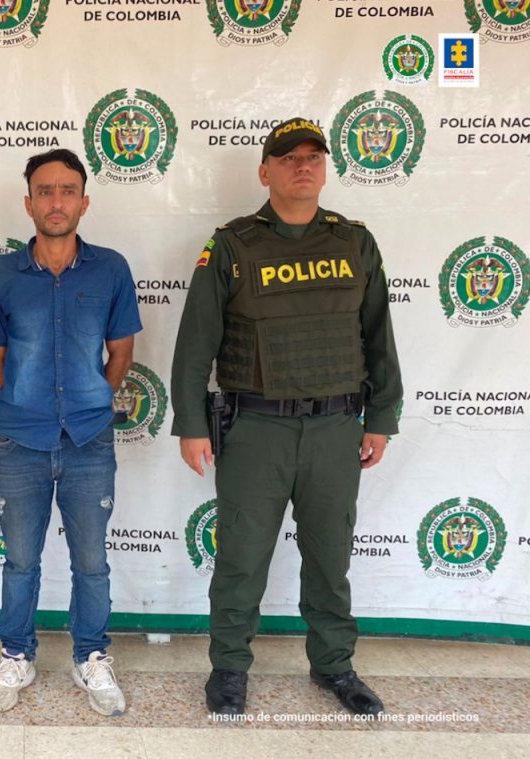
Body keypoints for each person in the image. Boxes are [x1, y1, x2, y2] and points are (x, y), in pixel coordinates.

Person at [170, 119, 403, 717]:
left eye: (313, 157)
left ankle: (334, 665)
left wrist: (381, 416)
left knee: (330, 558)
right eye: (288, 157)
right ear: (264, 171)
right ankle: (229, 668)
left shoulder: (354, 242)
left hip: (335, 428)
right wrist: (191, 424)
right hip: (256, 429)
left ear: (325, 168)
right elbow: (196, 343)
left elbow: (378, 337)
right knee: (241, 558)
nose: (303, 166)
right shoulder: (232, 245)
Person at [0, 148, 143, 716]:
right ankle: (16, 655)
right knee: (20, 560)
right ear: (28, 203)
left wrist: (89, 398)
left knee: (91, 561)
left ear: (84, 202)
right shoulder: (0, 275)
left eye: (67, 190)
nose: (56, 201)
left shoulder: (111, 269)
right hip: (19, 440)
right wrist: (30, 404)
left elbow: (121, 353)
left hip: (89, 440)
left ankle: (91, 656)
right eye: (44, 191)